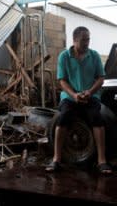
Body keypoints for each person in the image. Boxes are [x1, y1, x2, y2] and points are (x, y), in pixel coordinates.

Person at [46, 26, 112, 174]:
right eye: (84, 40)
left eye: (88, 39)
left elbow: (101, 78)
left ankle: (102, 161)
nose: (87, 43)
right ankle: (56, 159)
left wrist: (89, 92)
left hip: (91, 95)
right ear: (74, 40)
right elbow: (62, 81)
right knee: (63, 118)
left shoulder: (94, 55)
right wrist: (74, 95)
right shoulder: (64, 56)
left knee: (97, 118)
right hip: (70, 97)